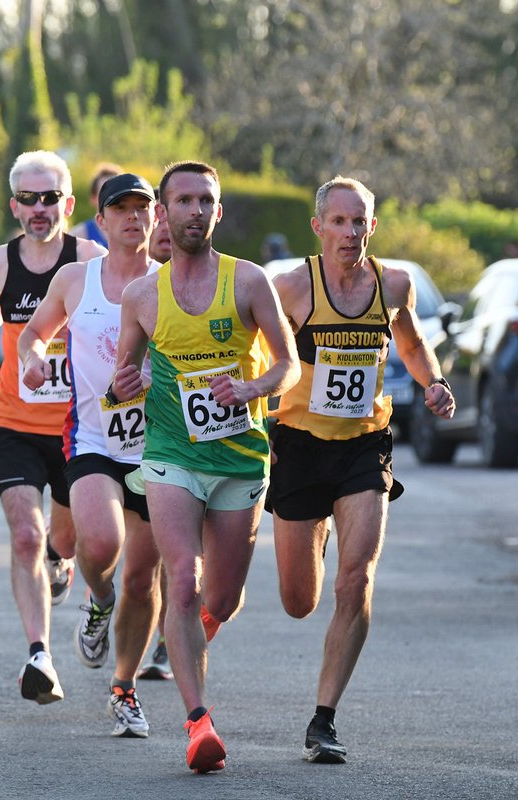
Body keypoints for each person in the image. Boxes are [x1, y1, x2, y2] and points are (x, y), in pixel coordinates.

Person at [112, 160, 300, 772]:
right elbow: (124, 375)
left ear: (219, 211)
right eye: (183, 201)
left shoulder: (248, 281)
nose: (195, 211)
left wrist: (252, 389)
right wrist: (124, 385)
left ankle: (187, 634)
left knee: (221, 596)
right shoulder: (142, 295)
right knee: (183, 583)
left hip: (240, 459)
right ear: (163, 214)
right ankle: (198, 724)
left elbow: (289, 365)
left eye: (205, 201)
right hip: (171, 455)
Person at [269, 177, 455, 764]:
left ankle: (323, 718)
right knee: (299, 599)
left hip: (363, 446)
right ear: (318, 227)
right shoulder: (290, 288)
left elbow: (413, 344)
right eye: (339, 221)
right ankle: (318, 529)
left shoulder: (393, 285)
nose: (350, 232)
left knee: (357, 579)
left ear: (372, 227)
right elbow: (255, 354)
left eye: (360, 222)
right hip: (299, 446)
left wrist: (434, 382)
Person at [18, 173, 163, 736]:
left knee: (143, 579)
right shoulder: (76, 279)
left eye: (142, 208)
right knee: (100, 544)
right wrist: (33, 357)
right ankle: (98, 600)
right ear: (100, 221)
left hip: (158, 446)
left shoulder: (171, 282)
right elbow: (34, 333)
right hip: (94, 439)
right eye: (120, 208)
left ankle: (124, 690)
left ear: (155, 218)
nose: (132, 217)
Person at [0, 150, 106, 705]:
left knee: (63, 539)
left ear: (68, 204)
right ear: (15, 206)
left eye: (50, 197)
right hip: (16, 423)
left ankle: (60, 557)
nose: (40, 208)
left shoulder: (90, 259)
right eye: (29, 198)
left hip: (79, 428)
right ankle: (39, 656)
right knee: (25, 534)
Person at [136, 213, 175, 682]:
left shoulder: (218, 282)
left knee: (178, 550)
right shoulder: (131, 287)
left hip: (195, 436)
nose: (164, 227)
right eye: (158, 217)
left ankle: (170, 637)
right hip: (132, 433)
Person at [70, 162, 123, 248]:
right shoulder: (78, 235)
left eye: (117, 192)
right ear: (93, 199)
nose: (112, 197)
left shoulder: (135, 231)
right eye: (105, 193)